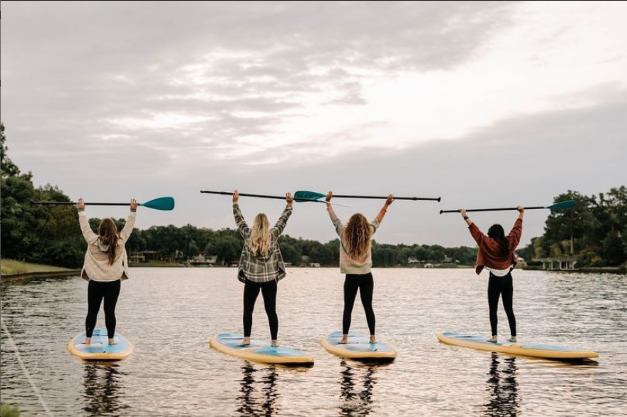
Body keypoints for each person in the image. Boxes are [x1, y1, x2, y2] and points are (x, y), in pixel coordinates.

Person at [325, 191, 394, 344]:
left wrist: (328, 204)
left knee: (348, 307)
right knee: (368, 307)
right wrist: (386, 204)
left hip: (351, 277)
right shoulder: (368, 232)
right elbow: (378, 220)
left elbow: (335, 221)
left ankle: (344, 338)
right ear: (363, 225)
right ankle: (372, 337)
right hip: (366, 277)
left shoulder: (343, 233)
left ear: (351, 223)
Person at [233, 190, 293, 347]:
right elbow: (282, 222)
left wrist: (235, 203)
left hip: (252, 279)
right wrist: (289, 205)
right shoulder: (272, 236)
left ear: (255, 224)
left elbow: (239, 221)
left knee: (248, 310)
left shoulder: (248, 235)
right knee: (271, 311)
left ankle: (247, 339)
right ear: (266, 225)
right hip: (269, 280)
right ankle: (274, 342)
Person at [77, 198, 137, 345]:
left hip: (95, 282)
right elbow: (128, 227)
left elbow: (84, 226)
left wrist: (81, 210)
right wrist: (133, 211)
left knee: (92, 311)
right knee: (110, 312)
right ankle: (111, 340)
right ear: (114, 229)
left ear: (100, 229)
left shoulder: (92, 241)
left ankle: (88, 339)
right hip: (113, 282)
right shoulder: (120, 242)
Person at [459, 206, 524, 343]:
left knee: (493, 309)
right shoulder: (509, 243)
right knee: (509, 309)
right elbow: (517, 230)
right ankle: (514, 337)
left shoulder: (487, 243)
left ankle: (494, 337)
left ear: (491, 234)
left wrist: (465, 215)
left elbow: (475, 232)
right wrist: (521, 213)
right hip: (507, 279)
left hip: (494, 279)